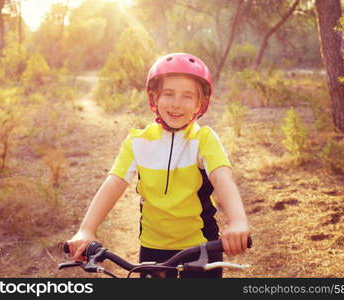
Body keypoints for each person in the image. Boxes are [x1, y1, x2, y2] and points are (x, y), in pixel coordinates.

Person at [66, 53, 250, 278]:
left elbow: (222, 178)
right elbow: (113, 183)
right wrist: (86, 229)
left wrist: (238, 221)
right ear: (154, 97)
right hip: (153, 249)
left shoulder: (204, 139)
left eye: (187, 96)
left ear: (199, 104)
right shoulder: (137, 141)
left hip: (201, 247)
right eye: (168, 94)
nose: (176, 103)